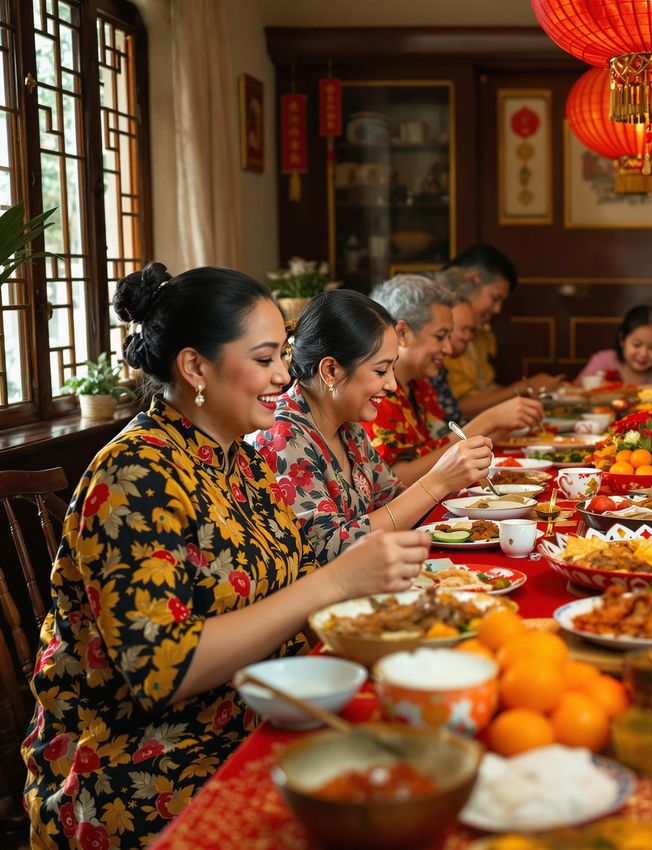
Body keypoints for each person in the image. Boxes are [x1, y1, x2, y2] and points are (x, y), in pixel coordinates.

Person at [23, 264, 432, 849]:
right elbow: (162, 671)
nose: (285, 375)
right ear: (195, 367)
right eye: (265, 359)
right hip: (144, 766)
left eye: (284, 356)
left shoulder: (238, 459)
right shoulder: (134, 475)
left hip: (258, 710)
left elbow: (289, 583)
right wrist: (333, 583)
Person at [248, 290, 493, 564]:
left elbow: (393, 499)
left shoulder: (349, 426)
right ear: (330, 370)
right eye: (380, 371)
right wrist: (437, 481)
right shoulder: (283, 435)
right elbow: (326, 550)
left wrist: (453, 480)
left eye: (392, 369)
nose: (392, 385)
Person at [365, 274, 543, 486]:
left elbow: (440, 450)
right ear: (402, 333)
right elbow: (396, 481)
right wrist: (487, 421)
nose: (448, 349)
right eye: (440, 337)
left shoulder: (420, 386)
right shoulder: (378, 394)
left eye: (450, 336)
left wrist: (498, 428)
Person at [441, 244, 563, 417]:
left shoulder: (481, 332)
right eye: (494, 298)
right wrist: (523, 388)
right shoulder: (441, 331)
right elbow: (455, 407)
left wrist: (525, 393)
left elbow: (483, 388)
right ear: (474, 279)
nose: (497, 309)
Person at [578, 305, 652, 389]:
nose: (643, 354)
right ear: (622, 339)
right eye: (636, 345)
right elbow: (576, 389)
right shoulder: (603, 361)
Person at [429, 266, 480, 424]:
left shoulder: (435, 369)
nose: (447, 348)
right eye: (440, 336)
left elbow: (449, 427)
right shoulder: (392, 388)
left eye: (472, 330)